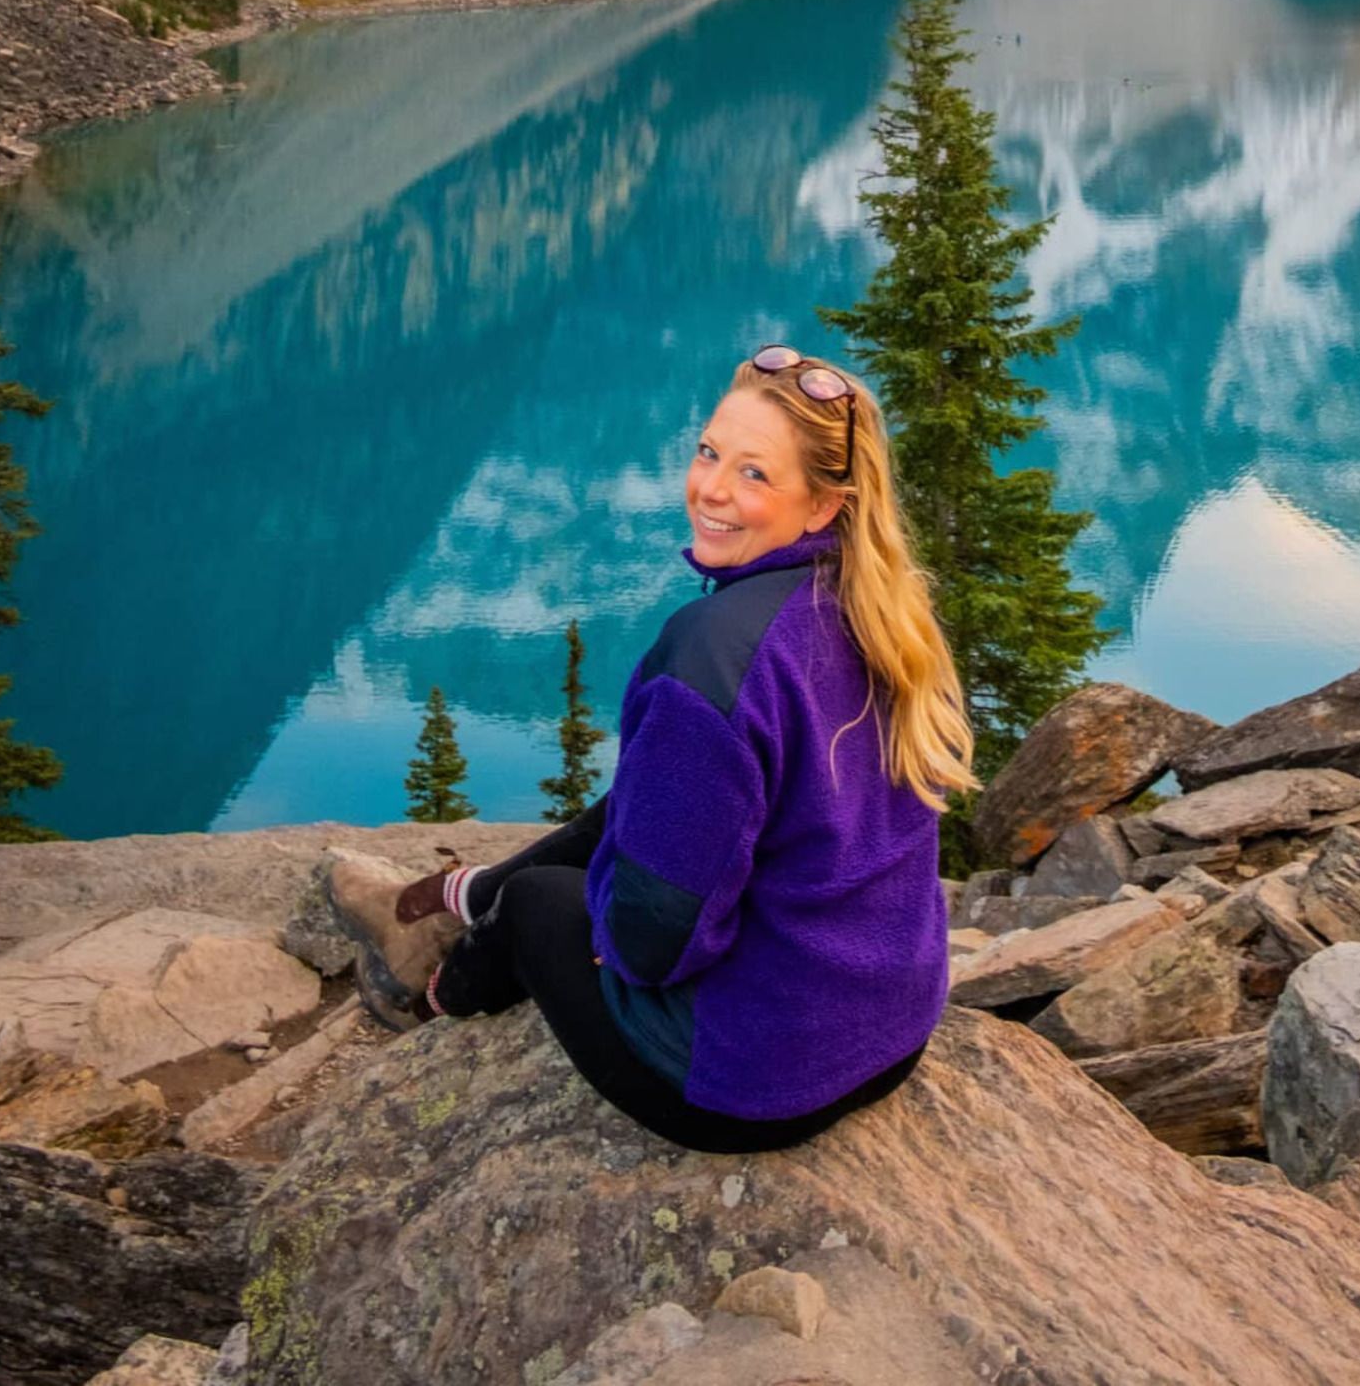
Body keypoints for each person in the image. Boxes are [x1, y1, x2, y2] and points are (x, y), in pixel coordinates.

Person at [326, 346, 972, 1152]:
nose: (711, 488)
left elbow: (653, 940)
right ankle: (477, 889)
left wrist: (599, 916)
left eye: (756, 475)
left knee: (537, 909)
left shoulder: (711, 655)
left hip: (755, 1084)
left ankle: (433, 996)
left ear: (821, 507)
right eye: (709, 453)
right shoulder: (886, 613)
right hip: (891, 1033)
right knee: (640, 800)